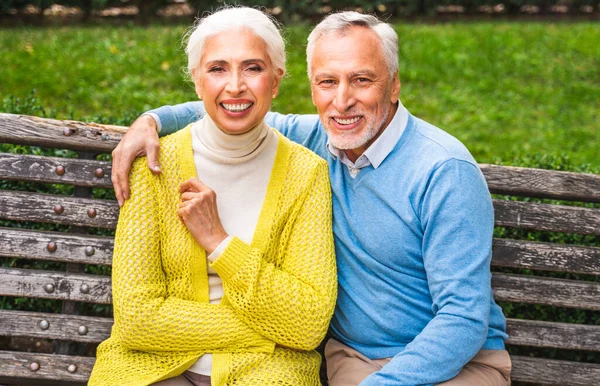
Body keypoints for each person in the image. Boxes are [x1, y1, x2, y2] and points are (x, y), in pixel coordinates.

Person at [111, 11, 512, 386]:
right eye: (327, 82)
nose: (342, 101)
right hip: (354, 358)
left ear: (394, 86)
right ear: (311, 87)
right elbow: (236, 106)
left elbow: (463, 318)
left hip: (456, 365)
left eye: (362, 80)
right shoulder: (322, 137)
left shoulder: (442, 170)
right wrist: (152, 120)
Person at [89, 7, 337, 386]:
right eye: (218, 68)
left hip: (265, 372)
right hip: (151, 367)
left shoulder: (307, 174)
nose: (235, 85)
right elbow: (137, 319)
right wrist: (272, 332)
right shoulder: (153, 165)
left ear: (275, 80)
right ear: (196, 80)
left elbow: (307, 322)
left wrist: (219, 243)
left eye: (253, 68)